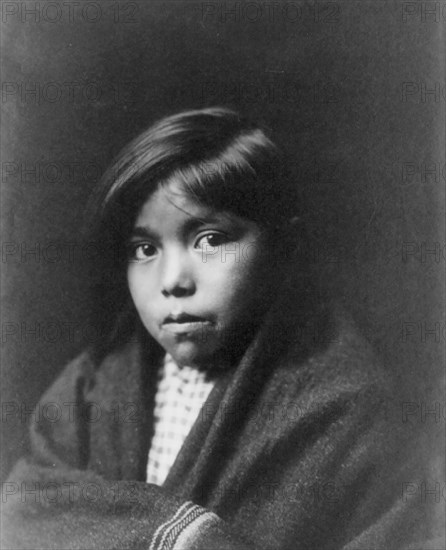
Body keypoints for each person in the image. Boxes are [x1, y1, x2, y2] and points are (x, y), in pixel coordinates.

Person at [3, 108, 428, 549]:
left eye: (209, 239)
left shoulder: (351, 411)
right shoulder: (88, 387)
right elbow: (23, 510)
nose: (172, 281)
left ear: (282, 246)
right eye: (145, 248)